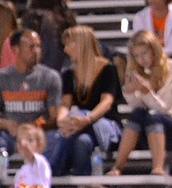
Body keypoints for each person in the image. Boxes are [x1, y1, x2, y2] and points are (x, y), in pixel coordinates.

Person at [109, 31, 172, 176]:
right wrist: (130, 92)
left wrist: (146, 92)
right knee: (137, 114)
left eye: (144, 53)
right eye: (136, 56)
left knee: (153, 115)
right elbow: (139, 108)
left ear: (154, 49)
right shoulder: (137, 72)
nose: (141, 59)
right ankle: (117, 167)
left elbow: (165, 109)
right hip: (150, 129)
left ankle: (158, 167)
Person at [47, 24, 122, 176]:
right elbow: (65, 103)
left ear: (81, 44)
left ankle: (52, 175)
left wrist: (87, 119)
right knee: (82, 143)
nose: (65, 50)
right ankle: (82, 187)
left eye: (69, 44)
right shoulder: (69, 74)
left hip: (104, 123)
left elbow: (107, 102)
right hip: (79, 127)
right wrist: (62, 119)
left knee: (75, 122)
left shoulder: (108, 69)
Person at [0, 28, 62, 154]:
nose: (36, 51)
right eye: (31, 47)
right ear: (16, 49)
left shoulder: (51, 77)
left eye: (38, 46)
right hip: (8, 135)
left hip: (39, 135)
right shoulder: (0, 78)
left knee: (58, 138)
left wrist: (34, 126)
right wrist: (7, 124)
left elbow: (54, 118)